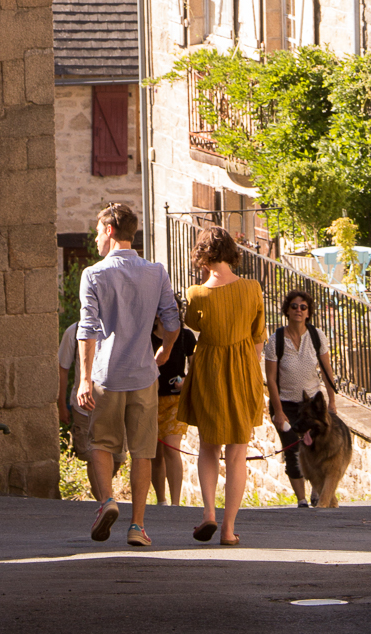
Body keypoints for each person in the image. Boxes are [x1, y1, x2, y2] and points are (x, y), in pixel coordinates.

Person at [76, 202, 181, 549]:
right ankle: (137, 526)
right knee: (142, 452)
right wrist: (164, 351)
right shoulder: (156, 271)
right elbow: (172, 321)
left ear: (109, 231)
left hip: (108, 374)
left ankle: (107, 500)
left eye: (96, 232)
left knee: (102, 444)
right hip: (144, 375)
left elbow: (88, 329)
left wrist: (84, 378)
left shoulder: (93, 274)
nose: (95, 239)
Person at [176, 225, 266, 547]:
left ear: (202, 255)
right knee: (238, 452)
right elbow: (258, 338)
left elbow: (194, 325)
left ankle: (209, 514)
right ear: (230, 252)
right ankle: (228, 530)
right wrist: (250, 370)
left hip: (210, 369)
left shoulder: (196, 293)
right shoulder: (252, 289)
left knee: (209, 447)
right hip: (243, 369)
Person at [263, 289, 340, 506]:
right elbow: (271, 379)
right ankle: (302, 500)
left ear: (308, 312)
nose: (298, 310)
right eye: (294, 306)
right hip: (285, 404)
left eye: (303, 307)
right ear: (287, 310)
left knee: (315, 448)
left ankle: (317, 491)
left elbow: (327, 372)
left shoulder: (316, 337)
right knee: (293, 449)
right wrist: (278, 411)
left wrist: (332, 402)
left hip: (312, 407)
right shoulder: (276, 339)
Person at [57, 316, 125, 490]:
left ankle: (103, 494)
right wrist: (61, 405)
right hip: (84, 408)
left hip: (114, 405)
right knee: (91, 456)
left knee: (118, 457)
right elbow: (62, 369)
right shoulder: (73, 332)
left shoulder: (117, 329)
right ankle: (104, 500)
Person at [150, 317, 195, 506]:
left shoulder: (186, 336)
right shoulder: (146, 337)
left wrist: (186, 382)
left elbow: (196, 365)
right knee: (154, 453)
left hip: (176, 400)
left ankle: (175, 503)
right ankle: (162, 501)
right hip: (150, 400)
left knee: (171, 446)